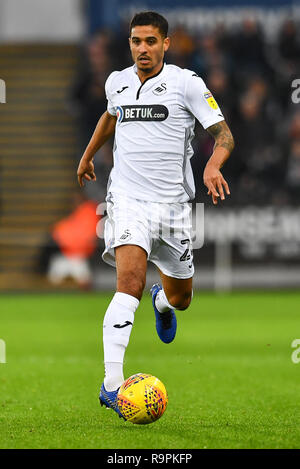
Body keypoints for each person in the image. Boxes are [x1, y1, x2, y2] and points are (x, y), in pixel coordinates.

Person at [77, 11, 234, 419]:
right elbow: (111, 115)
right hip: (128, 201)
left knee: (182, 298)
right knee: (127, 282)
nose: (142, 49)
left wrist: (213, 165)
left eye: (150, 41)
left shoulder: (187, 84)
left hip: (174, 210)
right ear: (129, 44)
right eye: (135, 41)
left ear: (167, 43)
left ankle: (161, 302)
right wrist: (88, 154)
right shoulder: (118, 81)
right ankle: (112, 385)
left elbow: (224, 134)